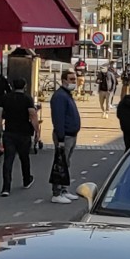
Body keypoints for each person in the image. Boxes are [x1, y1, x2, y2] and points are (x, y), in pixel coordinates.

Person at [0, 77, 39, 197]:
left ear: (12, 86)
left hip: (9, 131)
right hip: (24, 132)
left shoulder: (5, 98)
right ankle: (26, 179)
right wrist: (37, 131)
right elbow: (32, 115)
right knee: (24, 157)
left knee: (8, 159)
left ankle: (6, 187)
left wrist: (1, 130)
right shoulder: (27, 99)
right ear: (25, 86)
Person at [49, 70, 82, 204]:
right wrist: (61, 138)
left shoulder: (66, 94)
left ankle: (63, 189)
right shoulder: (60, 96)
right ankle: (56, 192)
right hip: (65, 136)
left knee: (66, 162)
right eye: (71, 79)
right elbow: (58, 118)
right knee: (60, 163)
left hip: (71, 134)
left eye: (75, 79)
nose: (74, 82)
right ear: (64, 81)